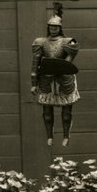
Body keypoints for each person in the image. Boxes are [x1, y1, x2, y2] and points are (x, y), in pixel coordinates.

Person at [31, 11, 80, 147]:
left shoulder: (67, 41)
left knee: (66, 112)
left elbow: (70, 58)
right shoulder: (41, 42)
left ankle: (66, 136)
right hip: (46, 78)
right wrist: (33, 83)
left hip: (64, 78)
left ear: (60, 28)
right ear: (48, 28)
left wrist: (63, 66)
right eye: (51, 27)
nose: (53, 30)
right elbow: (35, 64)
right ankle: (49, 136)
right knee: (47, 112)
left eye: (56, 27)